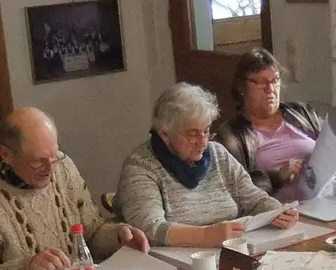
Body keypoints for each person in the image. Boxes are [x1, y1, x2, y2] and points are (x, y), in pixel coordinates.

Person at [0, 107, 148, 270]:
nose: (51, 168)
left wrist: (119, 237)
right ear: (7, 155)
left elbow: (92, 231)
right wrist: (26, 266)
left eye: (53, 155)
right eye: (38, 161)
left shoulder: (64, 166)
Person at [116, 83, 296, 247]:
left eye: (206, 131)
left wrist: (277, 211)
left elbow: (254, 198)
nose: (203, 142)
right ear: (165, 135)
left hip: (230, 253)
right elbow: (149, 229)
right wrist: (204, 235)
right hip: (170, 267)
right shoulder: (140, 168)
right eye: (192, 134)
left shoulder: (218, 154)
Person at [216, 48, 327, 201]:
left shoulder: (302, 112)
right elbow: (236, 192)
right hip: (281, 213)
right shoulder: (232, 135)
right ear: (241, 87)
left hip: (329, 199)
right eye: (262, 82)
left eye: (275, 80)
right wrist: (277, 175)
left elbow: (330, 148)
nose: (270, 89)